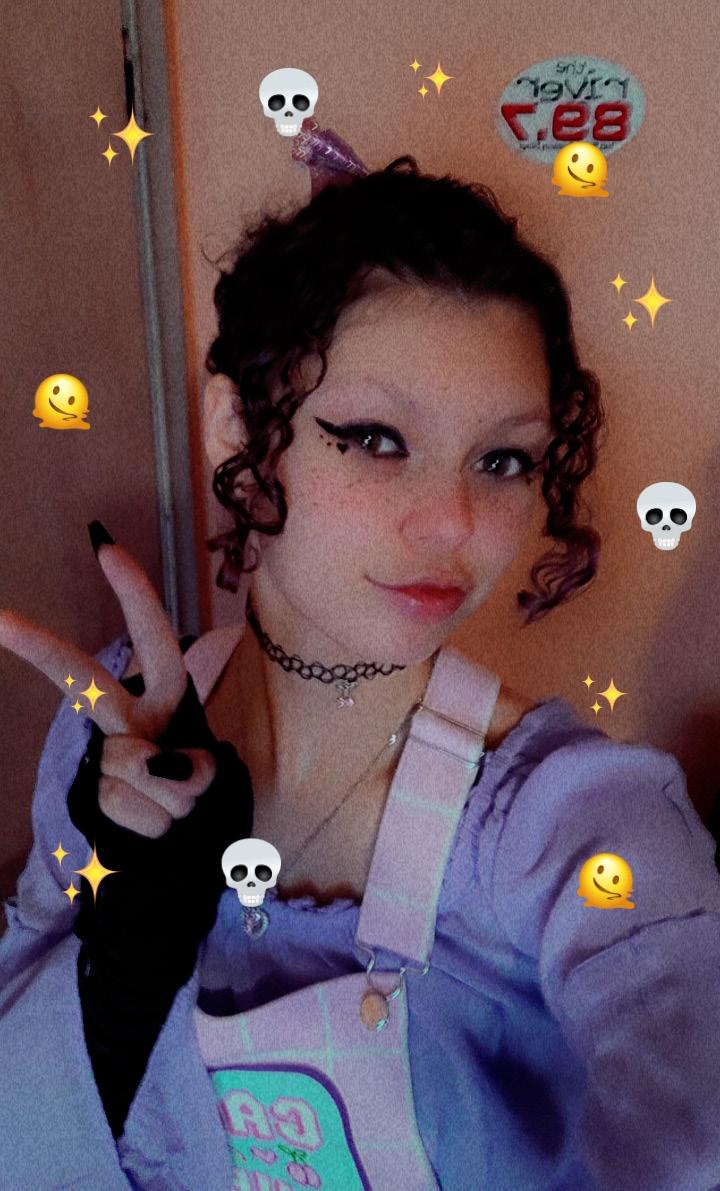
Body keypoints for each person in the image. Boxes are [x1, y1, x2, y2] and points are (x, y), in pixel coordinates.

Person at [1, 144, 720, 1191]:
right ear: (239, 428)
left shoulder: (567, 823)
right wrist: (124, 959)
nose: (453, 523)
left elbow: (689, 1111)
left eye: (503, 459)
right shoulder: (113, 727)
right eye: (379, 439)